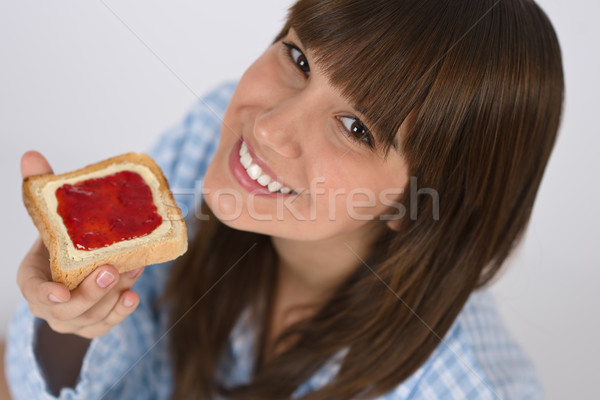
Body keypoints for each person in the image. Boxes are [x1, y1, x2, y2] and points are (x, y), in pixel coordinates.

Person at [5, 0, 564, 399]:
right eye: (298, 60)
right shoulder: (210, 141)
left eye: (355, 128)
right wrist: (67, 325)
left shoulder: (465, 389)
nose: (269, 128)